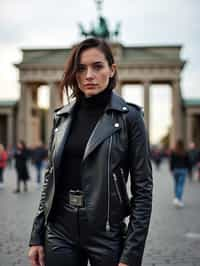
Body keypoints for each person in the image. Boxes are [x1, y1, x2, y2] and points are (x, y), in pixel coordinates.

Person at [28, 38, 153, 266]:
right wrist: (37, 235)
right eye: (81, 68)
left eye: (97, 66)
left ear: (111, 69)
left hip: (106, 232)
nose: (89, 75)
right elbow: (50, 178)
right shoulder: (61, 118)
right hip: (59, 230)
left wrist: (131, 254)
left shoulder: (130, 119)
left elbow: (143, 190)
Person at [169, 139, 190, 208]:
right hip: (183, 170)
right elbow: (188, 162)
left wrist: (171, 169)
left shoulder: (174, 151)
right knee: (180, 185)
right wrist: (189, 169)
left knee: (176, 184)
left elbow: (171, 161)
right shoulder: (185, 152)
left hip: (176, 170)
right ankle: (178, 199)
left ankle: (176, 198)